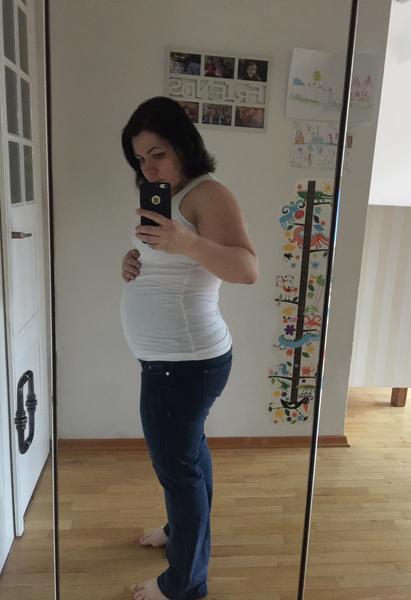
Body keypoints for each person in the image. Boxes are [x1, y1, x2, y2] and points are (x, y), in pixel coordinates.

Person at [120, 97, 258, 600]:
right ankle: (181, 532)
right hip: (173, 361)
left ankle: (183, 583)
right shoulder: (168, 195)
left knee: (178, 470)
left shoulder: (208, 193)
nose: (149, 167)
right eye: (140, 159)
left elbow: (246, 268)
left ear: (183, 144)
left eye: (158, 154)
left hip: (185, 362)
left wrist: (185, 243)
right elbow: (174, 262)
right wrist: (134, 261)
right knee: (188, 458)